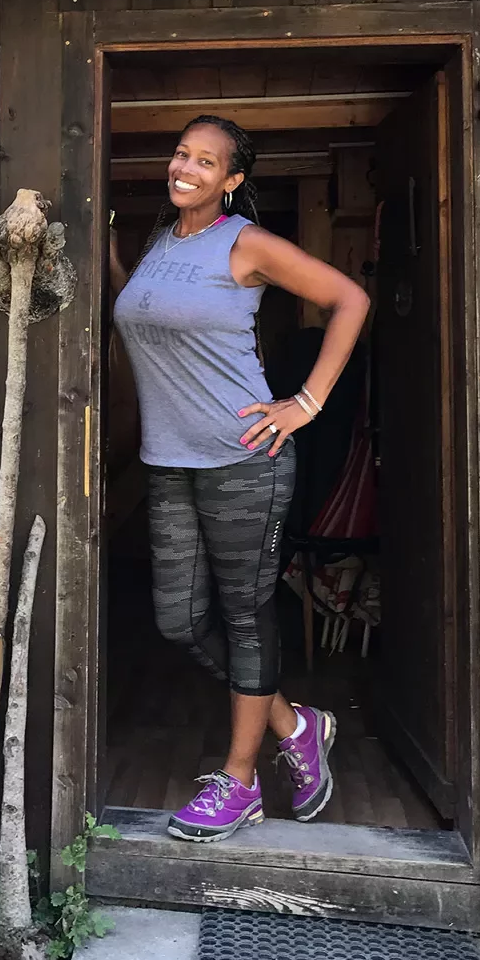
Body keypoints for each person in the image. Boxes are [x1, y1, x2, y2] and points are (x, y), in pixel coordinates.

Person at [111, 114, 370, 841]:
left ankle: (241, 779)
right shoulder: (162, 241)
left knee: (246, 615)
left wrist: (306, 404)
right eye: (180, 153)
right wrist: (109, 264)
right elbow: (146, 312)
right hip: (170, 463)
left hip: (243, 458)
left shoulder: (245, 243)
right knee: (180, 621)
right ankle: (295, 723)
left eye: (205, 160)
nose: (184, 167)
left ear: (231, 181)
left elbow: (350, 299)